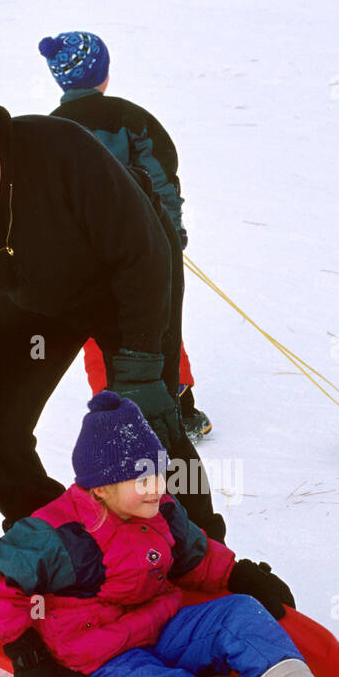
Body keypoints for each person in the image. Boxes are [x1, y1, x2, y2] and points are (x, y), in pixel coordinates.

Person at [0, 76, 236, 570]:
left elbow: (142, 250)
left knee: (148, 421)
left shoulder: (58, 149)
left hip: (129, 274)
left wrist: (139, 365)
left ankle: (202, 557)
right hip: (38, 302)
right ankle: (74, 550)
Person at [0, 391, 339, 677]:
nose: (154, 487)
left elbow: (194, 557)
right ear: (100, 488)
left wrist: (240, 575)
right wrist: (24, 650)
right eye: (138, 479)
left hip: (161, 625)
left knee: (239, 613)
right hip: (103, 653)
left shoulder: (160, 510)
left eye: (158, 473)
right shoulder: (59, 533)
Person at [39, 30, 212, 444]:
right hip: (145, 251)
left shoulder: (48, 134)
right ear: (104, 74)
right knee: (160, 322)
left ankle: (112, 407)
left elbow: (44, 202)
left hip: (84, 260)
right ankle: (177, 406)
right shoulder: (133, 120)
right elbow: (161, 180)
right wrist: (174, 233)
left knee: (100, 331)